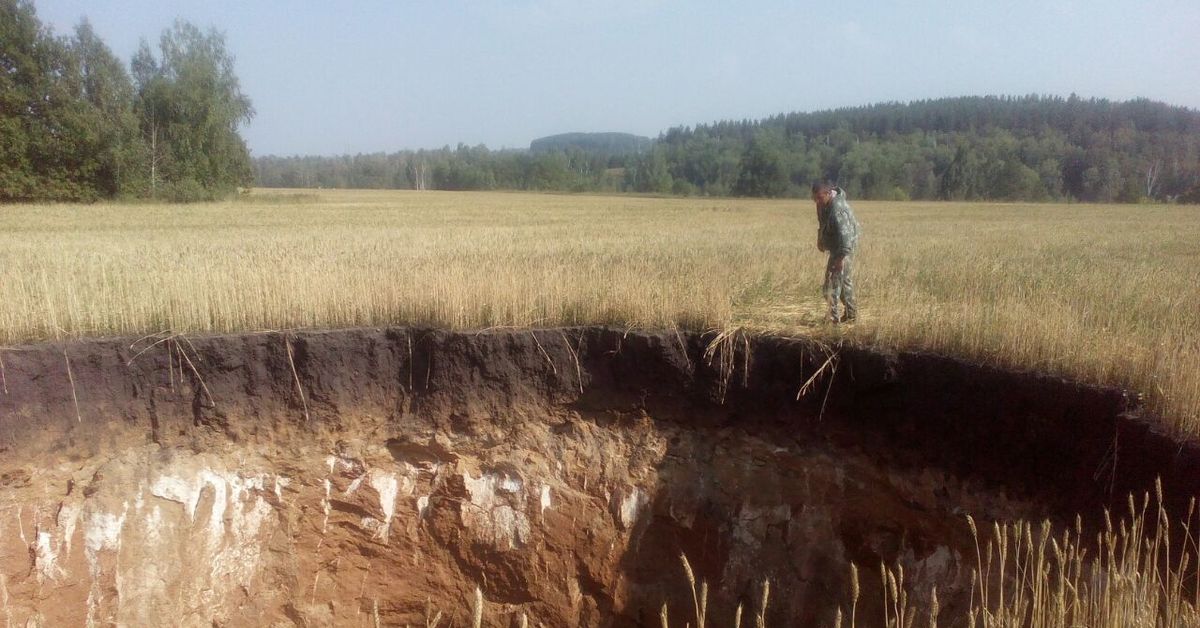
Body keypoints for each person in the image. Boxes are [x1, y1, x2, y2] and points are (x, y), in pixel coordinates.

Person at [812, 181, 860, 323]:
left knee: (831, 284)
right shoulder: (823, 205)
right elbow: (822, 223)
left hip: (844, 247)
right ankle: (851, 316)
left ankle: (833, 320)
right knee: (844, 282)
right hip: (836, 246)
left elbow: (845, 236)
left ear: (828, 193)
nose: (817, 201)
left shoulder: (837, 208)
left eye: (819, 198)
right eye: (814, 198)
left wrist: (841, 259)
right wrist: (820, 240)